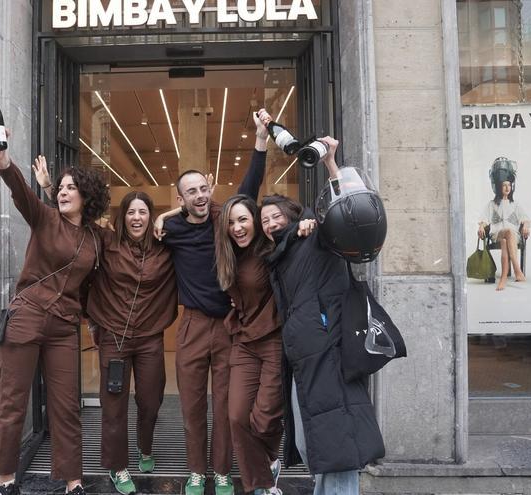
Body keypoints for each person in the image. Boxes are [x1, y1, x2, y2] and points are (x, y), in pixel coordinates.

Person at [0, 126, 109, 495]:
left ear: (87, 196)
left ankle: (73, 482)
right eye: (60, 188)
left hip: (64, 326)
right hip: (27, 317)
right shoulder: (45, 218)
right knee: (13, 402)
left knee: (66, 407)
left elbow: (94, 281)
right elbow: (20, 190)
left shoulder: (95, 239)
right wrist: (2, 159)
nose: (64, 192)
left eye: (72, 188)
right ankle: (2, 480)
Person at [35, 166, 178, 495]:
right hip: (114, 338)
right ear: (122, 217)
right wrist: (49, 190)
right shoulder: (106, 241)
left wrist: (168, 215)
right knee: (113, 406)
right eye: (131, 212)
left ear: (150, 217)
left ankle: (145, 446)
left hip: (150, 339)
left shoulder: (165, 248)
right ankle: (117, 465)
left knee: (151, 401)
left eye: (143, 212)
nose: (137, 218)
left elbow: (198, 224)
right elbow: (73, 220)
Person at [154, 109, 273, 495]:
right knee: (191, 405)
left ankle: (221, 470)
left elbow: (249, 190)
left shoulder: (224, 219)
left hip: (227, 326)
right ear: (181, 198)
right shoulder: (170, 228)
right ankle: (196, 471)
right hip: (190, 325)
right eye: (191, 192)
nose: (200, 196)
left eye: (203, 188)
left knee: (224, 404)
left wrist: (260, 141)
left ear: (210, 186)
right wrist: (163, 215)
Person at [261, 137, 385, 495]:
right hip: (304, 359)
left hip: (331, 352)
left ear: (292, 215)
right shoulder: (279, 257)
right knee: (312, 443)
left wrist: (331, 164)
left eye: (276, 216)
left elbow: (350, 209)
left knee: (338, 443)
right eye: (264, 220)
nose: (270, 223)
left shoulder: (316, 236)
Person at [213, 194, 313, 495]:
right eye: (231, 222)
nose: (237, 227)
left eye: (243, 219)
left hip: (274, 340)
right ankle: (263, 483)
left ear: (255, 222)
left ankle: (267, 461)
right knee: (236, 416)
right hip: (243, 341)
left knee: (264, 419)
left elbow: (293, 225)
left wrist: (305, 223)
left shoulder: (270, 248)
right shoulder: (229, 254)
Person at [476, 157, 530, 291]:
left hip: (512, 237)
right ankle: (517, 270)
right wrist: (481, 226)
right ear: (499, 187)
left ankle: (503, 278)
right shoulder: (492, 204)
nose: (507, 188)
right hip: (497, 235)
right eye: (504, 185)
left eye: (509, 185)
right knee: (508, 232)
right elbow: (484, 219)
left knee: (506, 241)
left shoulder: (515, 204)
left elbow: (525, 218)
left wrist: (526, 226)